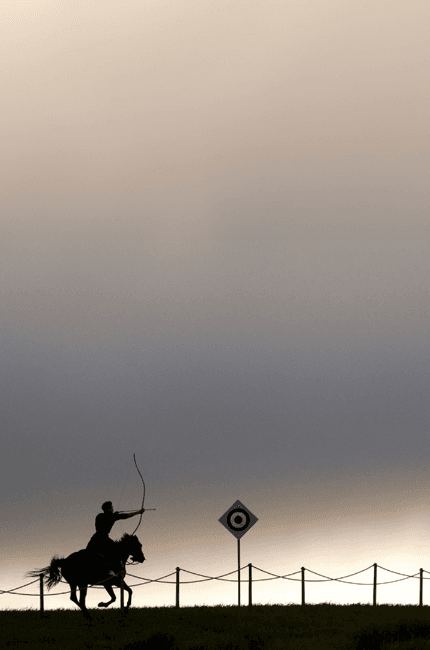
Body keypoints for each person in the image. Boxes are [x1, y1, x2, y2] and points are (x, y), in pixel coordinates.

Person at [86, 501, 144, 576]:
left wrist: (114, 515)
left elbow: (123, 516)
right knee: (116, 553)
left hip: (96, 538)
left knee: (89, 553)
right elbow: (126, 516)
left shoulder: (101, 516)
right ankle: (112, 570)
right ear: (108, 509)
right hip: (102, 538)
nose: (113, 509)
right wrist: (138, 512)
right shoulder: (108, 516)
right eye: (111, 508)